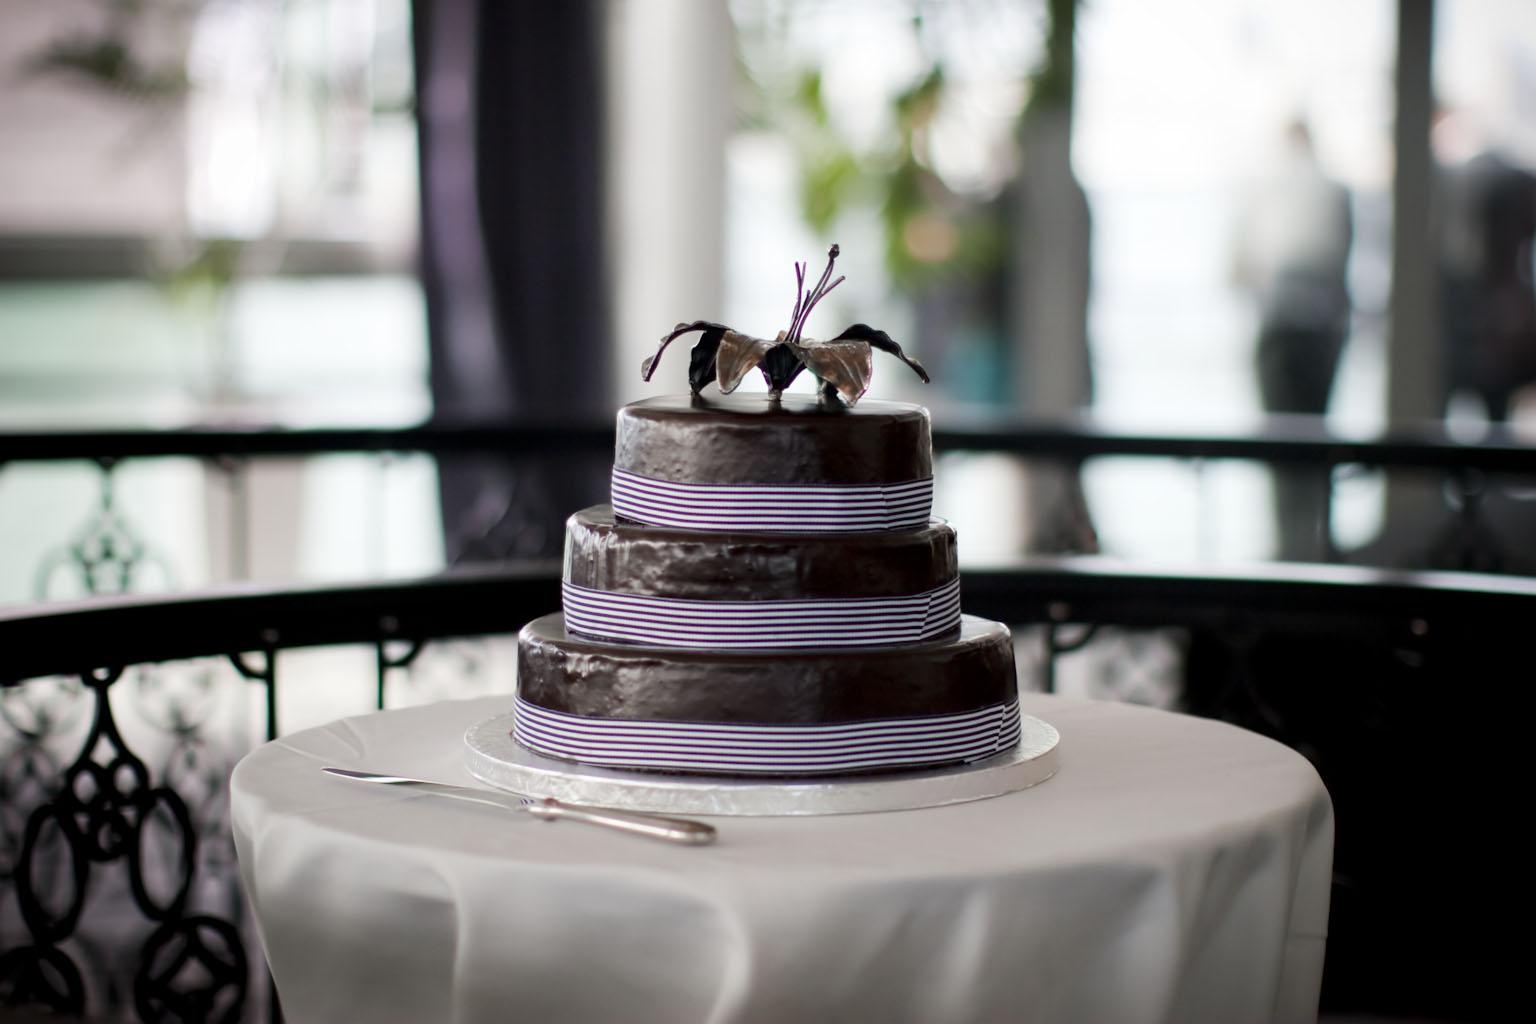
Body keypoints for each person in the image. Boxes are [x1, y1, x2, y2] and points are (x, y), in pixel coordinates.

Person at [1231, 119, 1354, 561]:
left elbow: (1238, 269)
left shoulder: (1263, 185)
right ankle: (1319, 547)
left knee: (1280, 445)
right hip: (1323, 325)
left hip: (1279, 322)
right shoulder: (1335, 187)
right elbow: (1343, 264)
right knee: (1318, 439)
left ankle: (1287, 551)